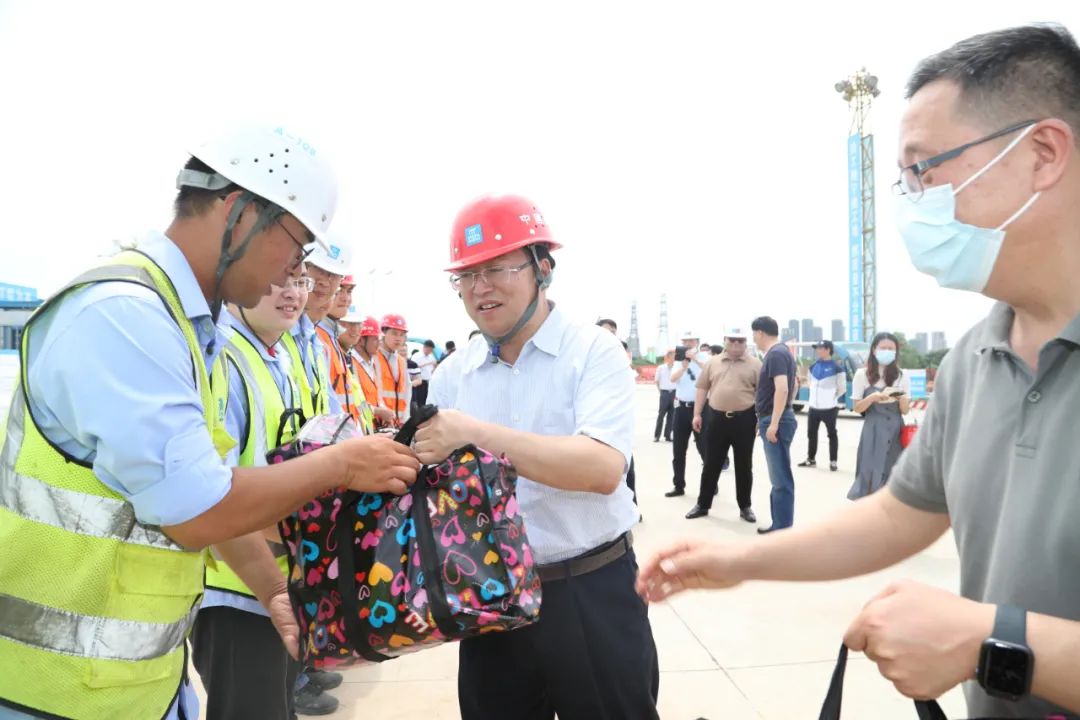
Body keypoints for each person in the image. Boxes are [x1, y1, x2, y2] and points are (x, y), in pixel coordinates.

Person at [639, 25, 1080, 718]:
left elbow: (988, 634)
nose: (911, 199)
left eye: (925, 169)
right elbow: (901, 514)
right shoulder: (974, 358)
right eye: (903, 180)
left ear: (1043, 154)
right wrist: (741, 561)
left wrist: (994, 643)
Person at [0, 124, 420, 720]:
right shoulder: (125, 315)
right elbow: (198, 510)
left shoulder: (188, 329)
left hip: (137, 686)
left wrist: (273, 589)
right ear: (239, 212)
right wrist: (343, 465)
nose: (292, 272)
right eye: (297, 246)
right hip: (50, 692)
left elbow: (207, 482)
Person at [418, 194, 658, 720]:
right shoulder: (453, 375)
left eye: (497, 269)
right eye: (466, 275)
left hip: (589, 590)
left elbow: (601, 467)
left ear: (542, 268)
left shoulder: (592, 352)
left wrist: (475, 433)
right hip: (489, 598)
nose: (480, 288)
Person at [194, 263, 334, 719]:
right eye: (279, 277)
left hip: (282, 583)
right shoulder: (224, 360)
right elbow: (210, 492)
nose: (292, 292)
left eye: (299, 281)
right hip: (237, 590)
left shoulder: (280, 358)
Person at [685, 328, 761, 523]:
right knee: (711, 463)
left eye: (740, 341)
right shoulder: (713, 362)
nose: (736, 344)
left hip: (745, 419)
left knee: (744, 465)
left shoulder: (755, 364)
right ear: (725, 340)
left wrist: (760, 418)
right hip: (716, 418)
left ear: (746, 342)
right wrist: (697, 414)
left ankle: (745, 506)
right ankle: (703, 504)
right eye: (732, 340)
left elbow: (761, 394)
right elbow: (702, 388)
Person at [848, 333, 911, 500]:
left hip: (896, 429)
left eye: (891, 349)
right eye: (883, 348)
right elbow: (857, 408)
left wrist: (903, 399)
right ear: (874, 350)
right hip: (873, 429)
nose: (887, 351)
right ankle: (869, 509)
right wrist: (872, 398)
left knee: (893, 471)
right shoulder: (862, 374)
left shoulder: (902, 375)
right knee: (869, 470)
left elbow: (905, 411)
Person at [751, 316, 797, 533]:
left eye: (754, 334)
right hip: (774, 417)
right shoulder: (783, 352)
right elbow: (793, 386)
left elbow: (783, 388)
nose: (754, 338)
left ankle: (781, 528)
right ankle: (779, 523)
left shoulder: (776, 354)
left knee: (780, 478)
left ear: (760, 332)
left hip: (775, 420)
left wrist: (774, 423)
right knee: (779, 476)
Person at [665, 332, 707, 498]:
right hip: (681, 408)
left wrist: (694, 359)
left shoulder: (705, 357)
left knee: (704, 448)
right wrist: (683, 366)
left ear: (697, 341)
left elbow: (711, 372)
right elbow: (672, 379)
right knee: (678, 450)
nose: (688, 343)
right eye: (685, 341)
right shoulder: (678, 359)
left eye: (691, 340)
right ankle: (678, 485)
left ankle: (711, 484)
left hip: (701, 409)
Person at [798, 340, 845, 472]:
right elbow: (809, 382)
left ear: (828, 350)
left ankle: (833, 461)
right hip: (813, 408)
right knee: (811, 434)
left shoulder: (837, 368)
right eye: (817, 348)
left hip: (829, 409)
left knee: (832, 434)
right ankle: (811, 459)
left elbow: (842, 388)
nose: (818, 350)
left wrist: (831, 398)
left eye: (820, 348)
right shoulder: (813, 366)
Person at [376, 314, 412, 424]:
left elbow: (407, 393)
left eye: (402, 335)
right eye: (394, 333)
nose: (398, 338)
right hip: (378, 422)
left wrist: (405, 420)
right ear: (383, 333)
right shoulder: (373, 358)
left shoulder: (402, 361)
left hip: (398, 423)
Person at [653, 349, 676, 442]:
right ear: (668, 357)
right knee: (661, 414)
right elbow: (657, 381)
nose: (675, 358)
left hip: (675, 393)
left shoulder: (677, 368)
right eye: (673, 356)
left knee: (672, 415)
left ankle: (668, 435)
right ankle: (657, 436)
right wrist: (661, 392)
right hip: (664, 393)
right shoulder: (661, 368)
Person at [413, 339, 438, 406]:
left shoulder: (431, 357)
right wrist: (427, 363)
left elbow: (432, 369)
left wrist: (435, 367)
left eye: (431, 350)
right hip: (420, 382)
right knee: (419, 400)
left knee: (426, 400)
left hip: (428, 381)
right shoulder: (416, 356)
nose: (430, 352)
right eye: (429, 350)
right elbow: (414, 367)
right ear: (424, 347)